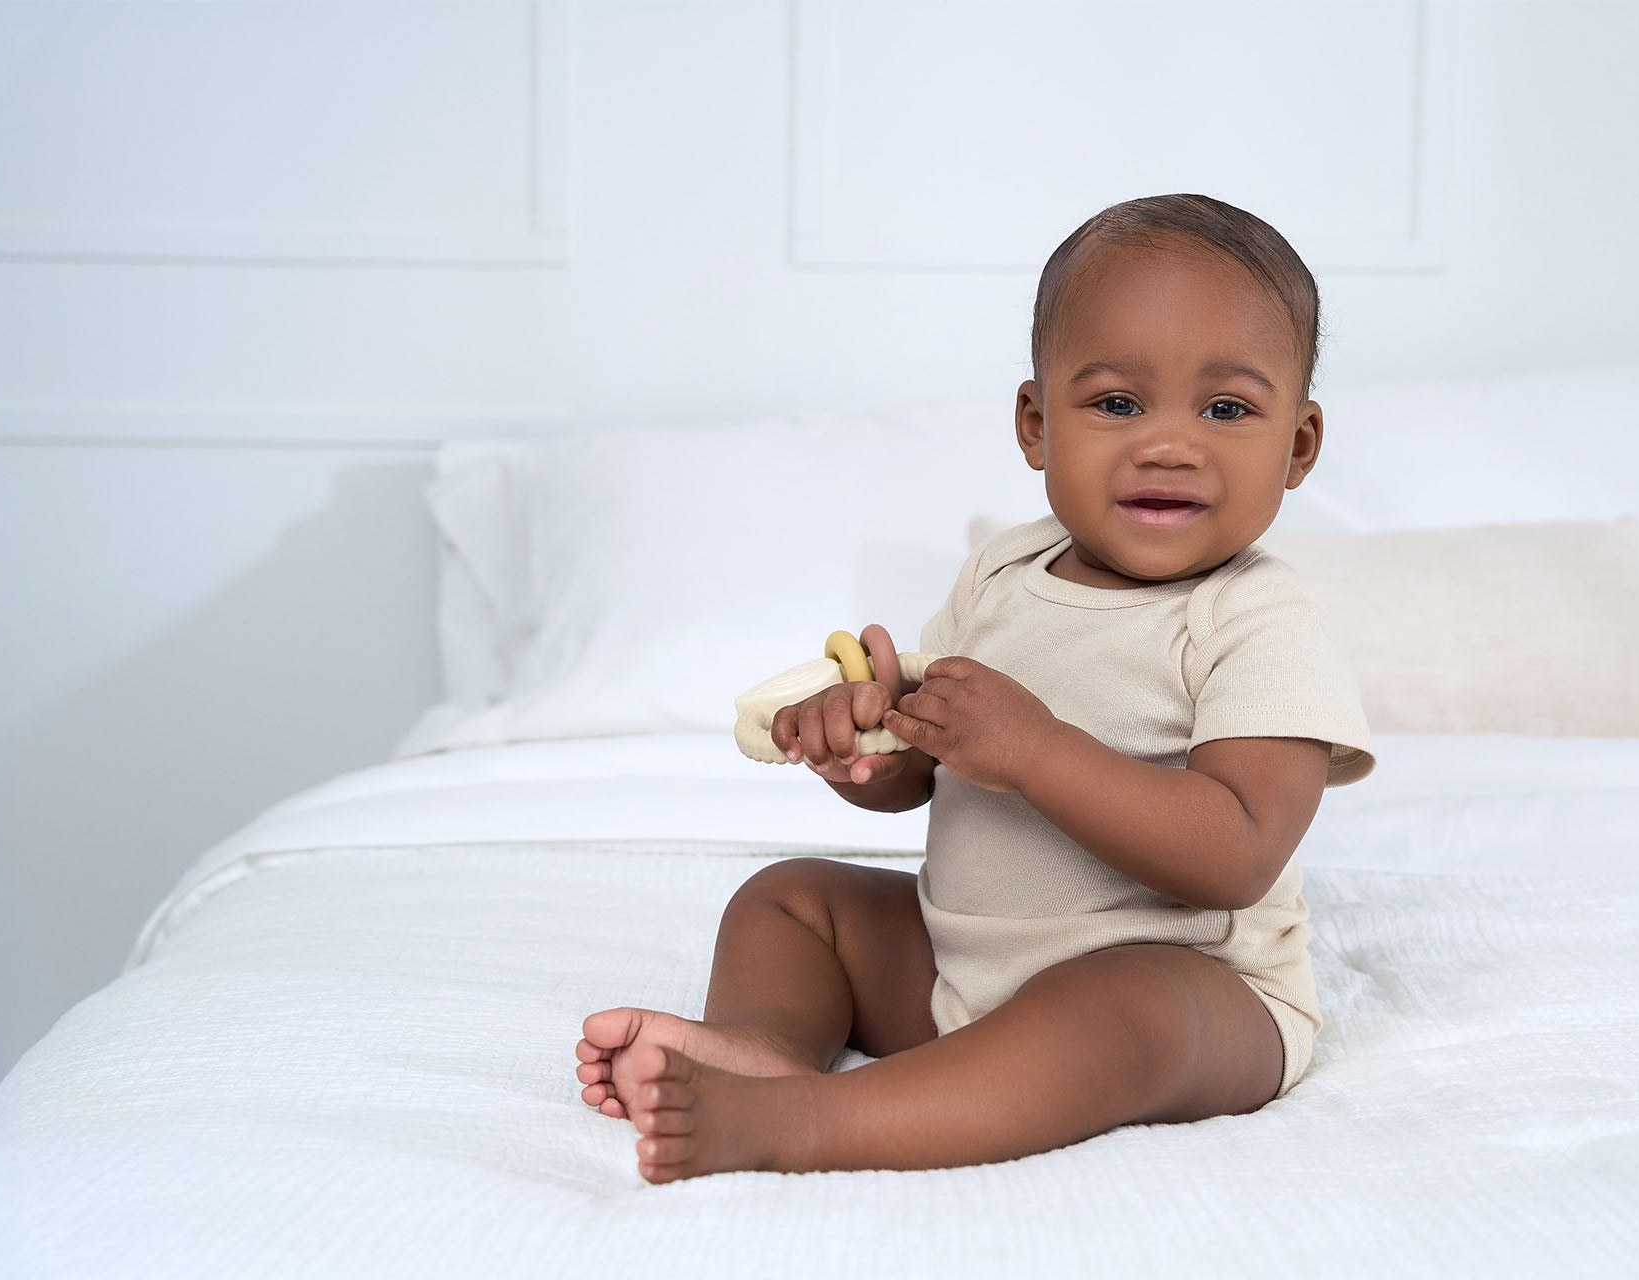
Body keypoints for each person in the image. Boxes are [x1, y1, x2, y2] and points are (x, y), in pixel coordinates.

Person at [574, 193, 1376, 1184]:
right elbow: (926, 773)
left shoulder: (1256, 619)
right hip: (963, 968)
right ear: (1037, 424)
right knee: (791, 899)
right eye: (1117, 401)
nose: (1170, 443)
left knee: (1122, 1010)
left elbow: (1235, 854)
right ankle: (762, 1048)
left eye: (1227, 407)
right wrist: (864, 751)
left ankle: (812, 1121)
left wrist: (1039, 750)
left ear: (1298, 445)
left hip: (1198, 989)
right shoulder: (1003, 574)